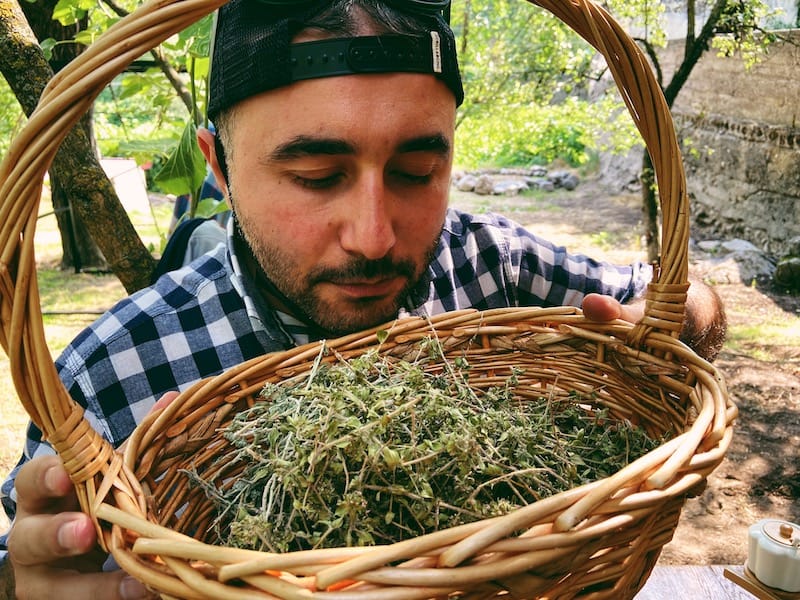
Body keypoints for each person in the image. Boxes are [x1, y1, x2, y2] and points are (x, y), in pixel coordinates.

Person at [0, 1, 726, 598]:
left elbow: (685, 298)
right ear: (219, 166)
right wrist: (23, 579)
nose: (375, 238)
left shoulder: (491, 264)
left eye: (416, 171)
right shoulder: (109, 376)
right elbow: (24, 559)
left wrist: (680, 321)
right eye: (317, 175)